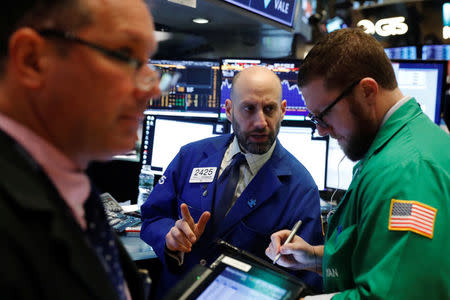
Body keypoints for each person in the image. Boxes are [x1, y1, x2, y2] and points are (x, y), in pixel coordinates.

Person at [266, 28, 450, 299]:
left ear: (367, 91)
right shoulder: (401, 143)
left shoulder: (407, 171)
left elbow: (395, 295)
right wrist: (316, 258)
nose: (321, 130)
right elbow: (380, 253)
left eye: (323, 115)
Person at [0, 1, 160, 299]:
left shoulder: (73, 190)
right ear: (33, 60)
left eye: (148, 62)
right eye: (125, 56)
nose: (153, 90)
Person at [140, 65, 324, 297]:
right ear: (229, 110)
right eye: (248, 108)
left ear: (283, 110)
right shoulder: (192, 156)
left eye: (269, 109)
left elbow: (303, 281)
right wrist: (169, 238)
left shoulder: (301, 187)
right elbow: (153, 216)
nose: (260, 122)